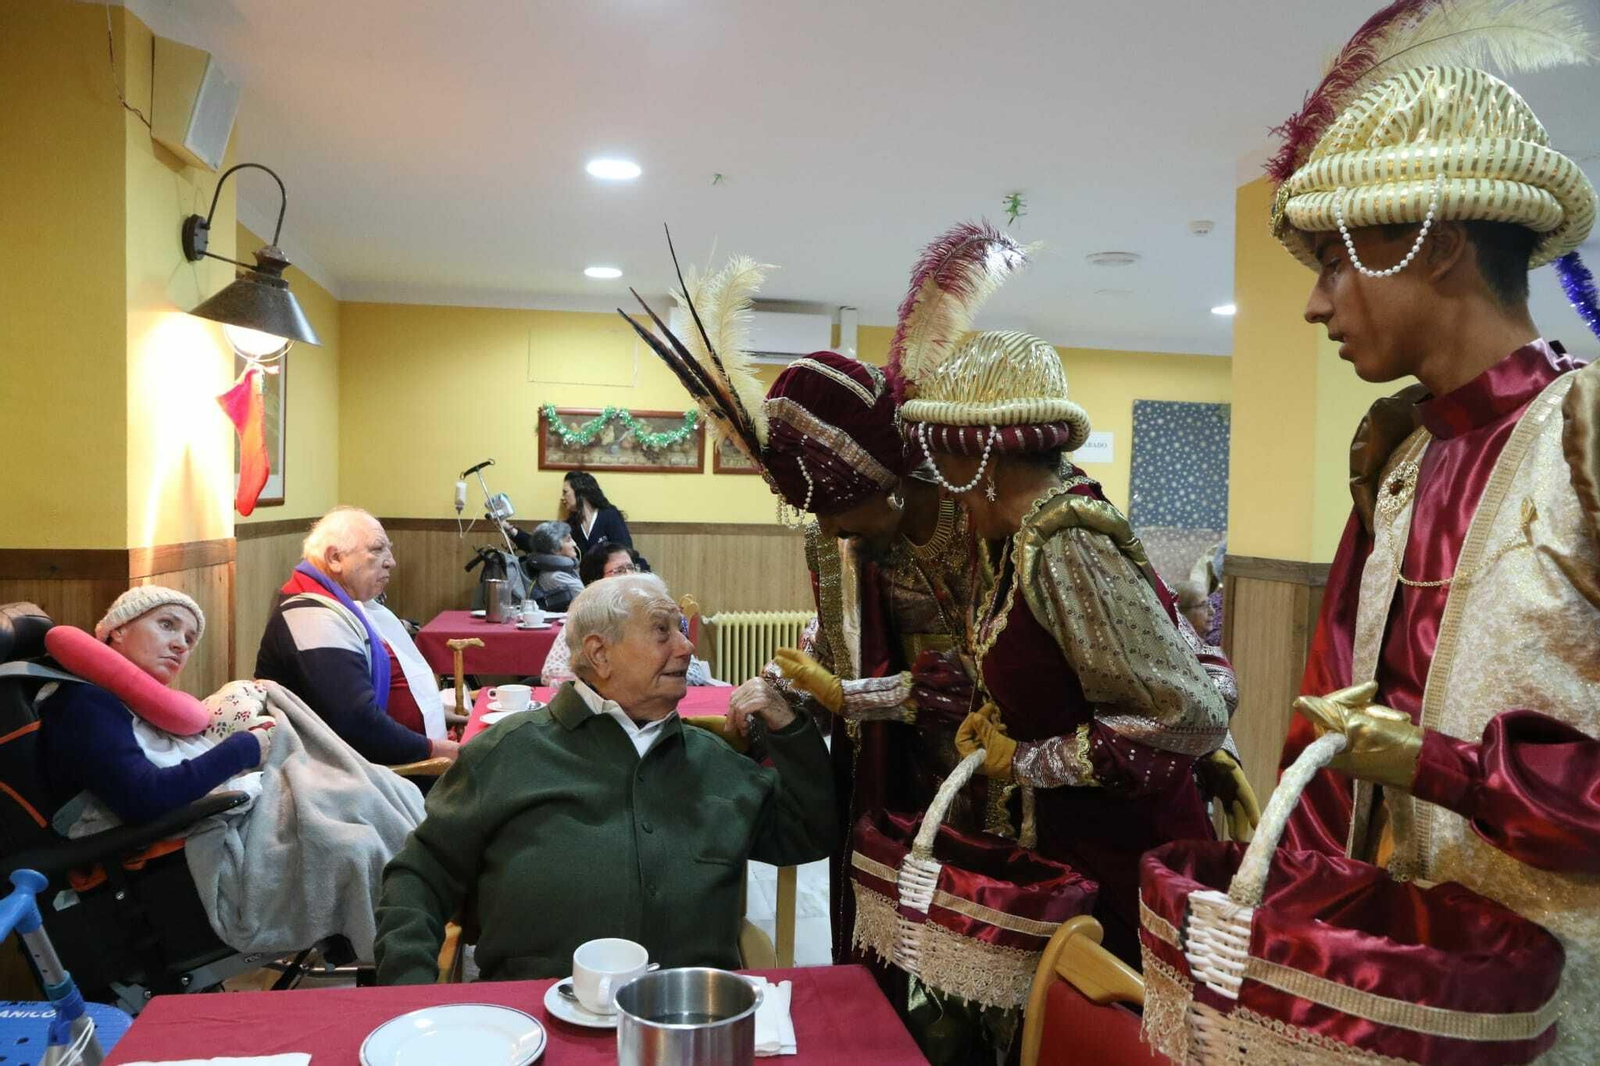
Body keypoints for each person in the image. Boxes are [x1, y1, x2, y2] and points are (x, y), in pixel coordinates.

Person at [1263, 9, 1600, 1059]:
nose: (1315, 306)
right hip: (1377, 996)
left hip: (1551, 1004)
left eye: (1333, 263)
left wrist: (1450, 768)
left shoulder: (1580, 438)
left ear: (1438, 240)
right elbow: (1323, 743)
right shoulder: (1395, 459)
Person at [623, 236, 1020, 1059]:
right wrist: (778, 687)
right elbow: (831, 644)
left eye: (844, 515)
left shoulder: (979, 523)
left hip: (1005, 791)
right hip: (889, 787)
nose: (831, 533)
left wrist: (847, 697)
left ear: (894, 481)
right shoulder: (836, 538)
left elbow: (982, 685)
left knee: (983, 1002)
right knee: (889, 985)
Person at [897, 327, 1232, 968]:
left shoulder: (1066, 543)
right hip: (1080, 844)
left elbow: (1184, 714)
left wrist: (1023, 759)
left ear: (985, 457)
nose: (944, 488)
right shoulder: (1025, 536)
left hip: (1126, 857)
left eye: (948, 465)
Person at [373, 573, 833, 983]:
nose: (686, 647)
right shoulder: (508, 753)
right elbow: (419, 874)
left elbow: (810, 835)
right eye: (661, 631)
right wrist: (406, 987)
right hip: (536, 1020)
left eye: (681, 629)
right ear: (600, 653)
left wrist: (788, 728)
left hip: (686, 1021)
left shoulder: (713, 762)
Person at [38, 587, 271, 837]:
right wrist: (244, 748)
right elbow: (143, 798)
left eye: (189, 639)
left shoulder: (140, 706)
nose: (181, 644)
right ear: (119, 628)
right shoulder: (85, 702)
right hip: (136, 858)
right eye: (167, 624)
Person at [256, 506, 459, 767]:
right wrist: (433, 749)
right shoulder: (311, 617)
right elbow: (355, 721)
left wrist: (435, 712)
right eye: (377, 549)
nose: (391, 561)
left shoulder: (332, 602)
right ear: (334, 558)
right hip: (357, 774)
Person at [561, 471, 632, 556]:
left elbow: (625, 550)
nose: (562, 498)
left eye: (565, 492)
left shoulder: (609, 515)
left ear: (580, 491)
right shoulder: (571, 524)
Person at [523, 519, 583, 611]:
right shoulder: (555, 576)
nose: (574, 544)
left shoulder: (555, 571)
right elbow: (590, 602)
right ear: (554, 549)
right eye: (568, 540)